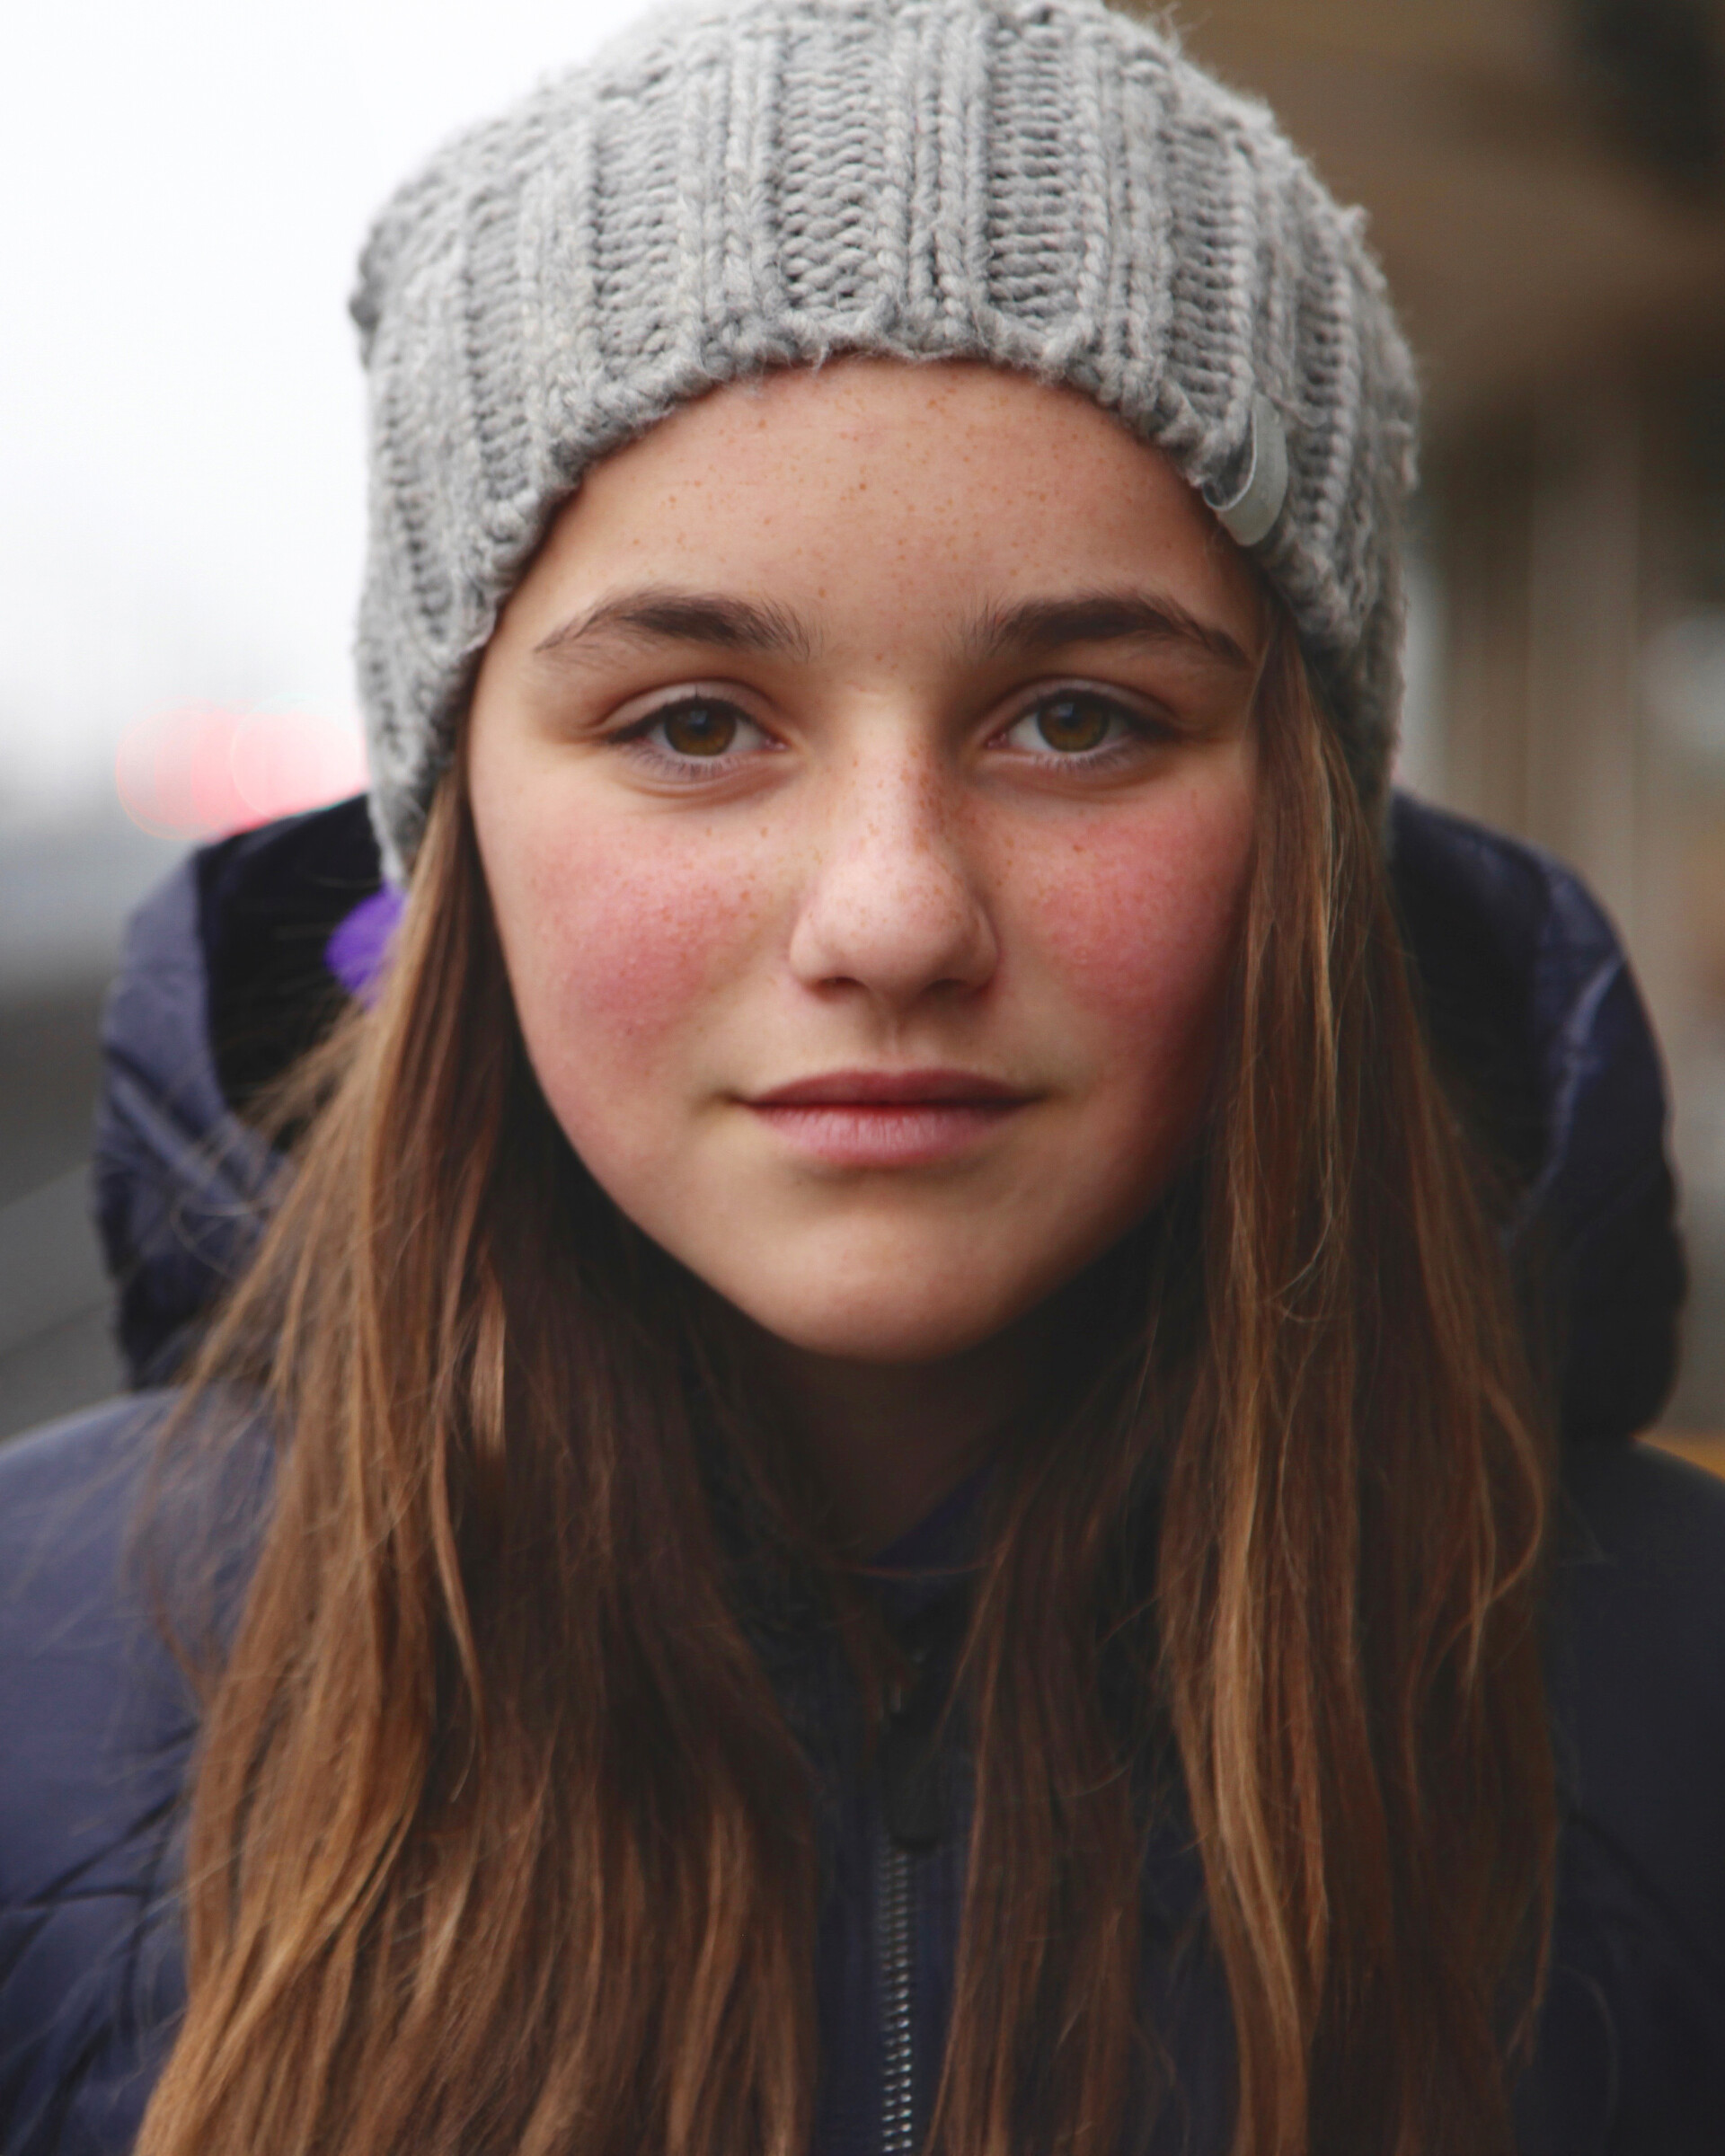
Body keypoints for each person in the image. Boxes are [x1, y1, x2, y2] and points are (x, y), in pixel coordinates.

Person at [2, 0, 1722, 2149]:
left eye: (1079, 719)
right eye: (695, 726)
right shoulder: (32, 1689)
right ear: (452, 834)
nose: (894, 916)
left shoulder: (1678, 1701)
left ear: (1310, 823)